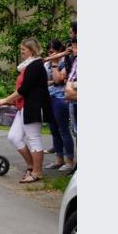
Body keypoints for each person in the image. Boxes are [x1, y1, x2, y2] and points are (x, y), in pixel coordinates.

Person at [0, 37, 54, 184]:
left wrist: (5, 100)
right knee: (14, 136)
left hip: (33, 107)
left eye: (23, 50)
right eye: (21, 49)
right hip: (24, 107)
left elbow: (23, 90)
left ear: (32, 50)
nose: (21, 52)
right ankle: (31, 166)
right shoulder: (28, 65)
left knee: (34, 139)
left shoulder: (35, 65)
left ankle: (37, 173)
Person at [44, 40, 75, 172]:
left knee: (63, 130)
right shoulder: (47, 63)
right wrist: (52, 82)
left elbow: (58, 80)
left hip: (60, 98)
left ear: (59, 51)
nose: (50, 54)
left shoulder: (64, 62)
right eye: (49, 52)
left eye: (53, 52)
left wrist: (55, 64)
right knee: (54, 130)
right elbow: (44, 81)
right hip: (49, 98)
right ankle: (59, 160)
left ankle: (69, 161)